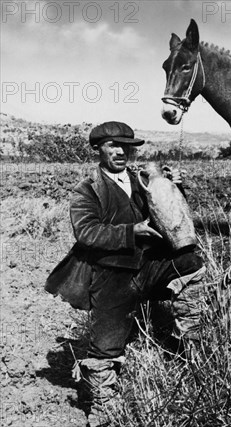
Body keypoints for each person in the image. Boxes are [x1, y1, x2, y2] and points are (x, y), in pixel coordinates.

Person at [45, 121, 205, 426]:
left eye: (125, 146)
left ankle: (192, 346)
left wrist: (174, 187)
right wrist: (133, 231)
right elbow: (87, 232)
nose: (120, 151)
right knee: (105, 347)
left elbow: (167, 213)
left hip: (149, 266)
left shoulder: (142, 179)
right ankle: (105, 408)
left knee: (190, 264)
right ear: (98, 150)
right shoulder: (87, 189)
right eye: (111, 146)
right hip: (111, 275)